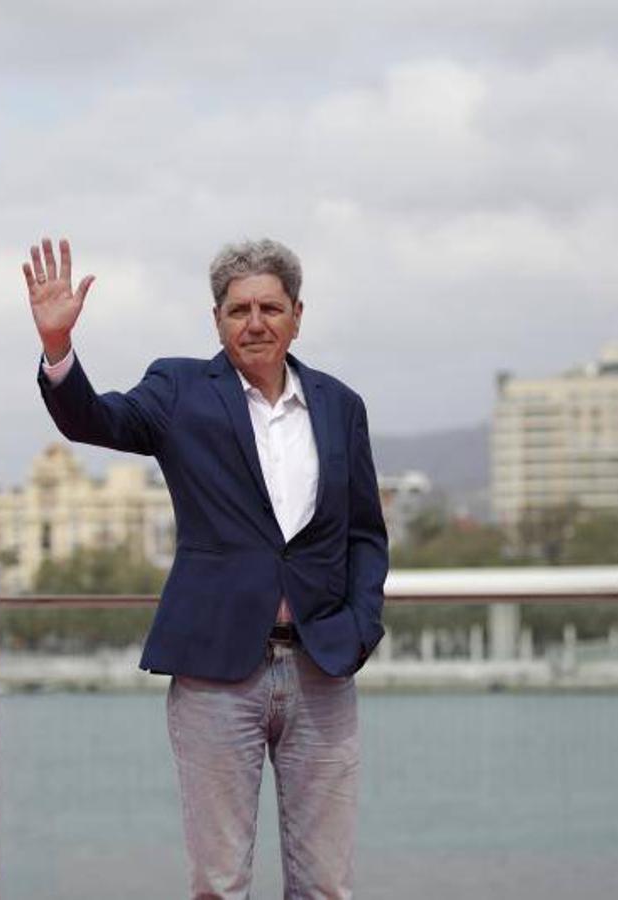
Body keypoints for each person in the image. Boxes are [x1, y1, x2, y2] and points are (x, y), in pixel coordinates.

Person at [24, 235, 387, 899]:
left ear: (297, 315)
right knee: (218, 884)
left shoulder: (340, 406)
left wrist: (361, 626)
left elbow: (364, 533)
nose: (254, 322)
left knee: (327, 886)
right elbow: (93, 419)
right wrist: (57, 349)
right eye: (238, 309)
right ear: (216, 320)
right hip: (217, 673)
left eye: (270, 308)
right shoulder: (179, 388)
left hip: (323, 667)